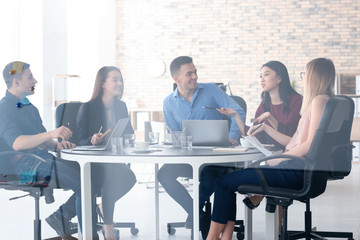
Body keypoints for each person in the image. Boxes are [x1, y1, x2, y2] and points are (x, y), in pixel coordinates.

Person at [206, 57, 336, 240]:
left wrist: (281, 158)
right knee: (228, 181)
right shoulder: (328, 101)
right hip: (298, 168)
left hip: (294, 169)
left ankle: (212, 238)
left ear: (314, 76)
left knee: (223, 182)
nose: (303, 77)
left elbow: (311, 145)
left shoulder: (318, 101)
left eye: (305, 74)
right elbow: (301, 141)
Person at [158, 56, 245, 238]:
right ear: (176, 78)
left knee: (209, 175)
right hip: (188, 157)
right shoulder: (168, 102)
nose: (195, 76)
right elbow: (174, 133)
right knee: (163, 174)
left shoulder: (211, 90)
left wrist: (232, 135)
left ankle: (195, 213)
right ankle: (197, 213)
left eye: (195, 72)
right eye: (189, 73)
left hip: (215, 158)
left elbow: (238, 110)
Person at [0, 61, 81, 239]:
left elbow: (41, 138)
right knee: (83, 184)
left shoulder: (28, 107)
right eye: (30, 77)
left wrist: (57, 145)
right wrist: (52, 133)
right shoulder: (5, 107)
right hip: (25, 167)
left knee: (91, 177)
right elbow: (17, 143)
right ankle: (65, 220)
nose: (35, 80)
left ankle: (61, 217)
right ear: (17, 82)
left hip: (40, 159)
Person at [76, 66, 136, 240]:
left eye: (121, 79)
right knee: (113, 174)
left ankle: (102, 208)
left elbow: (129, 133)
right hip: (93, 162)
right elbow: (79, 141)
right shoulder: (88, 107)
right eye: (115, 79)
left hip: (113, 159)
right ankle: (108, 228)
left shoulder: (121, 106)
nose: (120, 83)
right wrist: (92, 140)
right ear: (103, 83)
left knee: (129, 177)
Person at [218, 61, 302, 150]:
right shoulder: (264, 104)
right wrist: (235, 115)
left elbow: (289, 136)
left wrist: (270, 117)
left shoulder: (297, 100)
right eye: (260, 76)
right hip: (272, 155)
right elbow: (253, 135)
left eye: (266, 75)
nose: (262, 80)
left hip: (293, 154)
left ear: (279, 78)